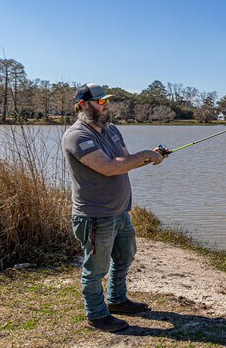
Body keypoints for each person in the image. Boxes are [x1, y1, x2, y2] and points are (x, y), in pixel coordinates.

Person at [61, 83, 168, 332]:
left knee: (125, 257)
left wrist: (150, 156)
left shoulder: (112, 130)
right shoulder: (77, 136)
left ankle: (117, 300)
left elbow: (124, 162)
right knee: (95, 269)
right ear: (82, 105)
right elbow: (108, 167)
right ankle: (97, 315)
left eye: (106, 100)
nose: (105, 104)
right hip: (95, 215)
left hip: (121, 211)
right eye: (99, 101)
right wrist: (144, 155)